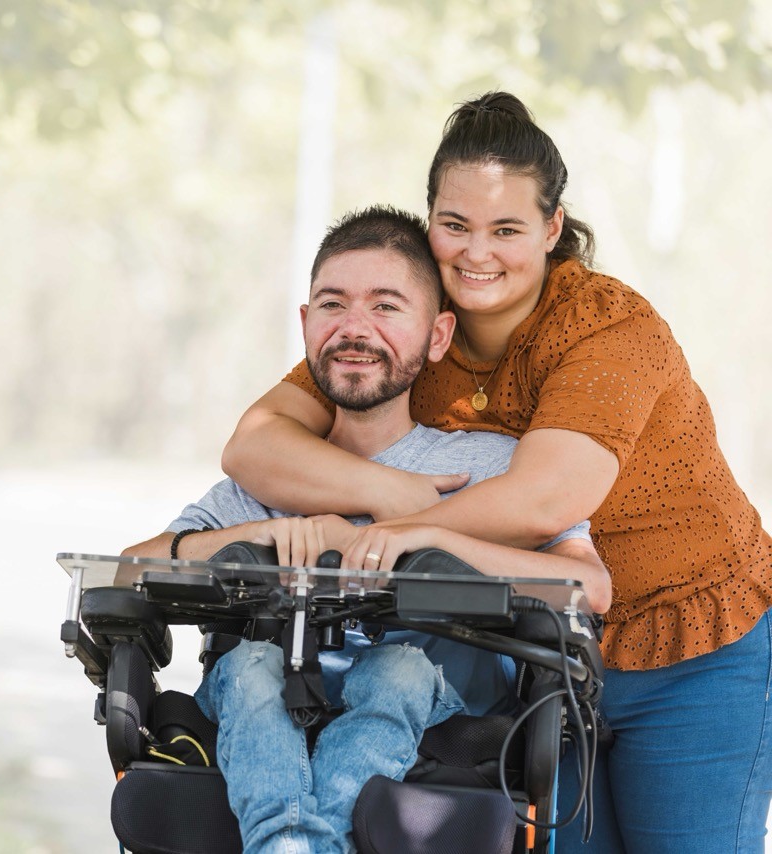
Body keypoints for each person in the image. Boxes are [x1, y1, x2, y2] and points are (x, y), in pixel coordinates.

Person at [220, 92, 772, 853]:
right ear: (430, 221)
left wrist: (391, 532)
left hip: (693, 641)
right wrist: (391, 491)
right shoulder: (415, 322)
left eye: (506, 229)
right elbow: (255, 446)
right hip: (543, 651)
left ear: (552, 228)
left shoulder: (605, 324)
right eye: (455, 226)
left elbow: (548, 498)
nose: (476, 254)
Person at [122, 205, 609, 854]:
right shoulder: (274, 476)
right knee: (249, 665)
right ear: (305, 325)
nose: (354, 328)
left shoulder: (488, 467)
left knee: (399, 670)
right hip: (262, 704)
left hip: (436, 723)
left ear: (437, 336)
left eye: (385, 307)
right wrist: (281, 533)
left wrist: (434, 537)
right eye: (332, 305)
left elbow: (589, 587)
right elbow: (131, 567)